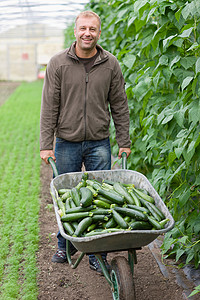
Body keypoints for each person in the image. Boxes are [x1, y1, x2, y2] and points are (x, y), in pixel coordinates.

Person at [40, 10, 131, 274]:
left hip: (99, 142)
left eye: (92, 29)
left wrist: (123, 141)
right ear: (76, 31)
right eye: (83, 29)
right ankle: (64, 245)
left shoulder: (111, 64)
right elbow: (49, 108)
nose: (87, 33)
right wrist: (46, 144)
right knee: (66, 198)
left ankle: (97, 253)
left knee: (100, 197)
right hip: (66, 141)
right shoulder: (58, 63)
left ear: (99, 33)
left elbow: (120, 106)